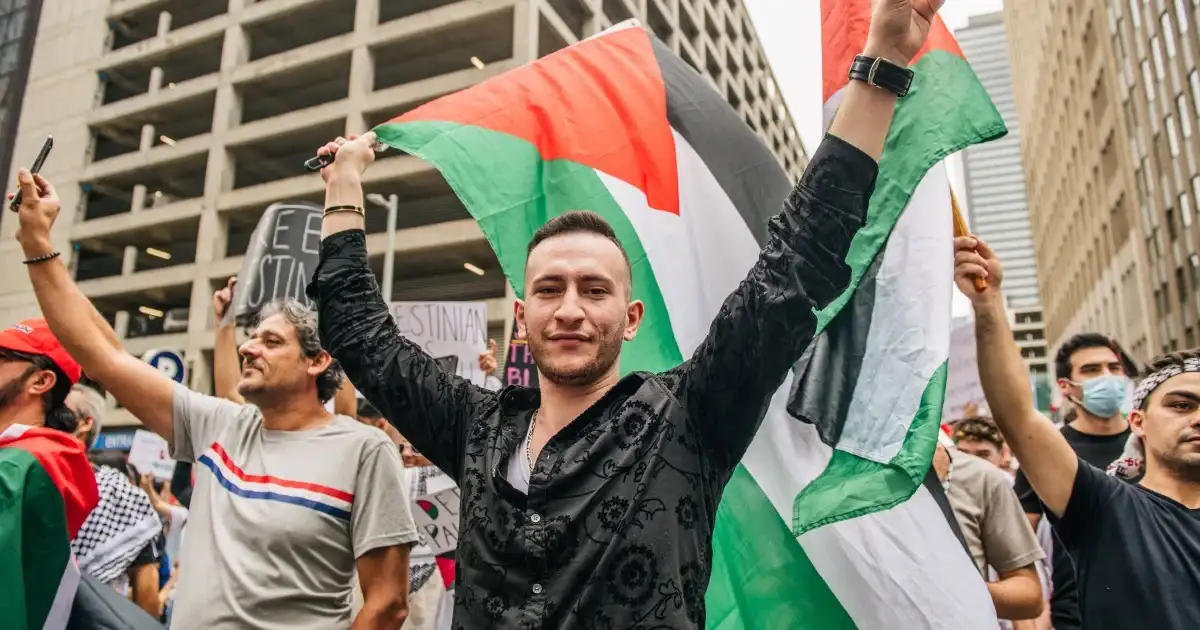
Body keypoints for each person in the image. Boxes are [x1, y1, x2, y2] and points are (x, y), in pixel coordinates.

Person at [309, 1, 941, 626]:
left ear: (632, 317)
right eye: (551, 290)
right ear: (524, 315)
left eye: (594, 289)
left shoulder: (688, 415)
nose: (571, 310)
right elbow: (361, 335)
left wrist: (881, 61)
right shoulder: (474, 428)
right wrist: (344, 186)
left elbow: (797, 265)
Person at [14, 170, 420, 629]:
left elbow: (388, 603)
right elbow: (106, 356)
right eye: (251, 338)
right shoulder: (218, 426)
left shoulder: (365, 451)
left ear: (317, 361)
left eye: (271, 341)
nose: (249, 348)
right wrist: (38, 244)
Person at [956, 235, 1200, 629]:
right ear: (1139, 420)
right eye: (1181, 405)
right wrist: (988, 305)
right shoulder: (1105, 507)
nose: (1197, 418)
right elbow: (1019, 417)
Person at [1010, 332, 1137, 630]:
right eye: (1092, 370)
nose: (1107, 377)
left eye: (1113, 368)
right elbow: (1019, 543)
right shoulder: (1048, 450)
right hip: (1079, 615)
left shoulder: (1152, 442)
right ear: (1066, 387)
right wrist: (1032, 615)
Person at [65, 383, 164, 616]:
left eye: (60, 415)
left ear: (84, 424)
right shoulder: (20, 472)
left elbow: (146, 590)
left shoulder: (119, 494)